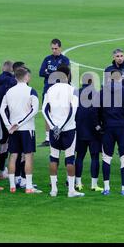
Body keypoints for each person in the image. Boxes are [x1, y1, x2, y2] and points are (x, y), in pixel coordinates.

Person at [42, 65, 83, 198]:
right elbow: (73, 111)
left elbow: (44, 110)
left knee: (53, 158)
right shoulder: (73, 90)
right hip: (68, 129)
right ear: (68, 74)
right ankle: (71, 190)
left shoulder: (50, 89)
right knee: (70, 158)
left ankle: (54, 189)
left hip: (55, 130)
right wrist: (62, 126)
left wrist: (54, 126)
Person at [98, 69, 124, 196]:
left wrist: (98, 125)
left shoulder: (102, 92)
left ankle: (106, 188)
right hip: (123, 128)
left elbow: (96, 110)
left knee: (106, 158)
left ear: (110, 78)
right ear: (121, 78)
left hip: (107, 128)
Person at [1, 67, 41, 194]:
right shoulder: (31, 91)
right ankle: (28, 186)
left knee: (13, 155)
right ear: (26, 77)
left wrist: (9, 125)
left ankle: (12, 185)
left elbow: (2, 110)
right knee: (28, 156)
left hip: (12, 129)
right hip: (26, 129)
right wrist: (20, 123)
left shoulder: (9, 92)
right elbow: (34, 110)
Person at [74, 72, 103, 192]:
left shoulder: (76, 93)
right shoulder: (97, 94)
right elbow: (100, 112)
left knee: (79, 156)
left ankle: (78, 183)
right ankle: (94, 184)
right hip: (94, 130)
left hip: (80, 129)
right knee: (95, 157)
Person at [39, 39, 70, 147]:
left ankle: (61, 133)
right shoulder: (47, 59)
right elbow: (41, 72)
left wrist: (49, 72)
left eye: (56, 48)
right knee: (47, 111)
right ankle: (48, 138)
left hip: (60, 91)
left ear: (60, 48)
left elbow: (63, 74)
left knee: (61, 111)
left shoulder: (65, 60)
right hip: (48, 90)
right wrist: (55, 73)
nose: (54, 50)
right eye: (52, 48)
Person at [0, 60, 16, 180]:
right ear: (12, 70)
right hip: (8, 116)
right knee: (7, 144)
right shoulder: (13, 81)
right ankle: (4, 170)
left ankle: (1, 170)